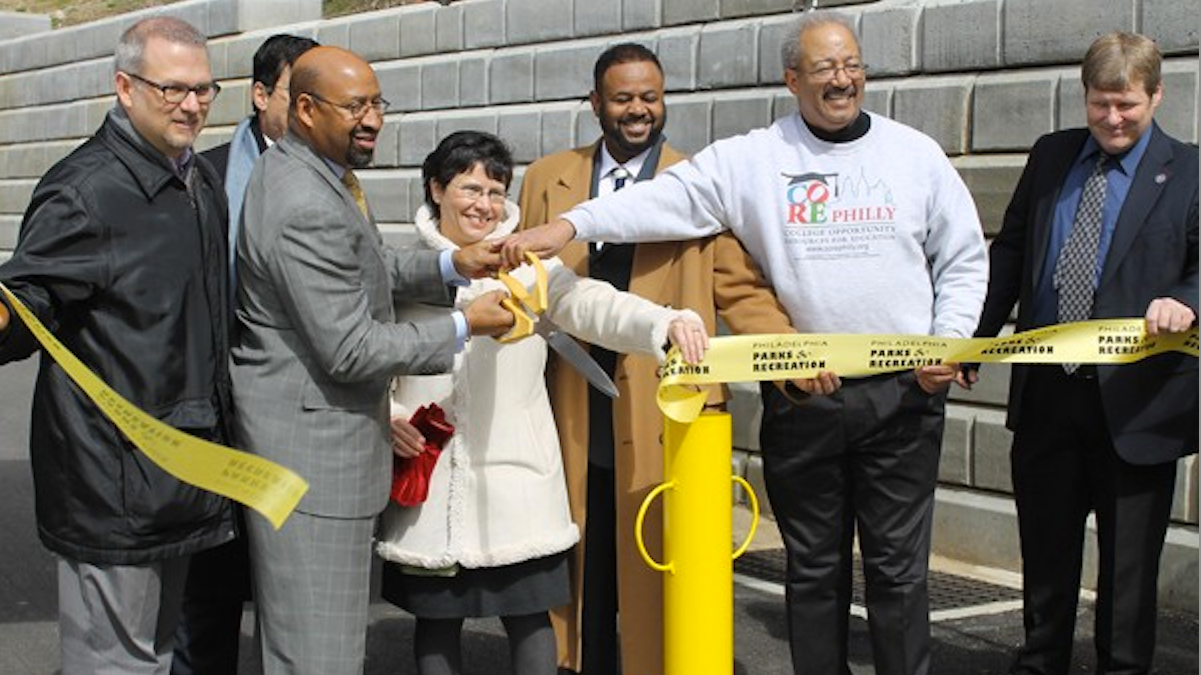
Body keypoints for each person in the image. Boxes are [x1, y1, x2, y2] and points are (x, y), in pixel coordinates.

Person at [503, 11, 988, 675]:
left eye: (851, 66)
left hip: (904, 396)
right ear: (792, 78)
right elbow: (660, 200)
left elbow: (960, 257)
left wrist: (951, 340)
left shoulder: (915, 155)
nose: (841, 80)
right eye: (824, 69)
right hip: (804, 398)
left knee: (898, 574)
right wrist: (569, 226)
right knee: (812, 572)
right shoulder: (751, 158)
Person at [375, 129, 710, 675]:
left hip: (518, 475)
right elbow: (372, 359)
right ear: (436, 189)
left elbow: (593, 306)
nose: (484, 205)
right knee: (435, 621)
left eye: (495, 191)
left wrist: (664, 322)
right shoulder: (403, 271)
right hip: (429, 476)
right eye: (469, 188)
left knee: (530, 617)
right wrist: (385, 416)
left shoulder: (530, 268)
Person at [230, 47, 513, 675]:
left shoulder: (307, 174)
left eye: (378, 104)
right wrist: (467, 323)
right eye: (354, 106)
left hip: (314, 450)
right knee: (319, 654)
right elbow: (352, 347)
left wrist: (450, 264)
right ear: (303, 109)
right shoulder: (303, 200)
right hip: (314, 460)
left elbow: (367, 268)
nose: (372, 120)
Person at [517, 42, 789, 675]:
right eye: (623, 99)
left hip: (663, 407)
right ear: (595, 104)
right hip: (569, 400)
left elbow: (741, 289)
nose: (638, 110)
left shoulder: (699, 183)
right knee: (577, 553)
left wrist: (789, 357)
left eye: (650, 97)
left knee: (652, 563)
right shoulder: (545, 177)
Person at [0, 16, 235, 675]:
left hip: (185, 468)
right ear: (124, 88)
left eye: (203, 89)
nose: (191, 104)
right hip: (112, 482)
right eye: (171, 89)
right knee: (114, 663)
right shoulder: (87, 190)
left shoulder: (197, 182)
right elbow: (27, 301)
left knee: (158, 652)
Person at [966, 31, 1198, 675]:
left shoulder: (1190, 170)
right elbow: (1010, 255)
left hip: (1136, 403)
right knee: (1045, 551)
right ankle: (1042, 662)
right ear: (1084, 97)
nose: (1112, 119)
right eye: (1100, 104)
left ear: (1156, 95)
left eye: (1126, 105)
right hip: (1048, 396)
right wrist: (973, 344)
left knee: (1128, 570)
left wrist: (1187, 299)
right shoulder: (1051, 156)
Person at [170, 32, 318, 675]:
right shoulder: (198, 177)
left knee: (297, 599)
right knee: (210, 597)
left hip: (309, 416)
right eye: (298, 94)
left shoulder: (335, 175)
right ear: (260, 96)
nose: (315, 109)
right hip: (220, 418)